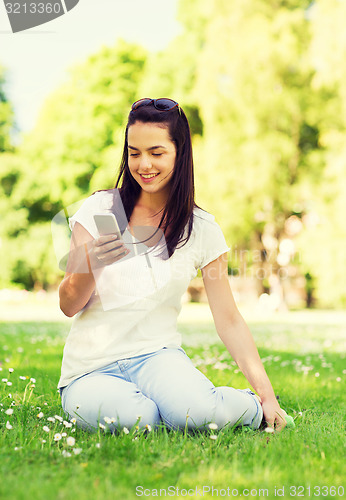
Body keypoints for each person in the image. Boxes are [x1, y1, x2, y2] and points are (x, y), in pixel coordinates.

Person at [57, 97, 288, 434]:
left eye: (156, 152)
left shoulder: (202, 229)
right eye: (134, 153)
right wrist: (92, 263)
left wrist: (266, 395)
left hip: (157, 357)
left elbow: (229, 319)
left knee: (196, 415)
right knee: (140, 420)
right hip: (91, 369)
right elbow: (67, 304)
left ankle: (247, 406)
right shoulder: (101, 210)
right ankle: (162, 408)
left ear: (180, 153)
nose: (143, 164)